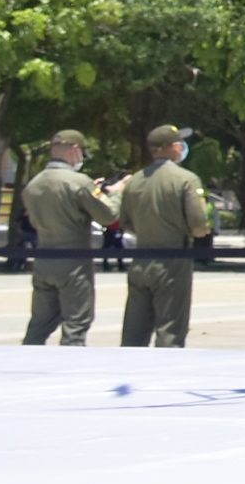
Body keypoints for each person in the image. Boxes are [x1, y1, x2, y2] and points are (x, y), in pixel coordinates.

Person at [114, 125, 211, 348]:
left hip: (141, 258)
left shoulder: (135, 180)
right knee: (170, 329)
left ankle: (127, 373)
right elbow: (198, 223)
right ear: (174, 147)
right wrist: (198, 232)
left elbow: (125, 222)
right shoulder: (185, 179)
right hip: (173, 259)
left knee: (134, 330)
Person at [21, 132, 115, 346]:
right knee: (76, 324)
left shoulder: (33, 184)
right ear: (74, 149)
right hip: (74, 263)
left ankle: (25, 363)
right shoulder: (79, 182)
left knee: (39, 324)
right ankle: (69, 369)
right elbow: (108, 216)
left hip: (43, 258)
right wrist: (115, 194)